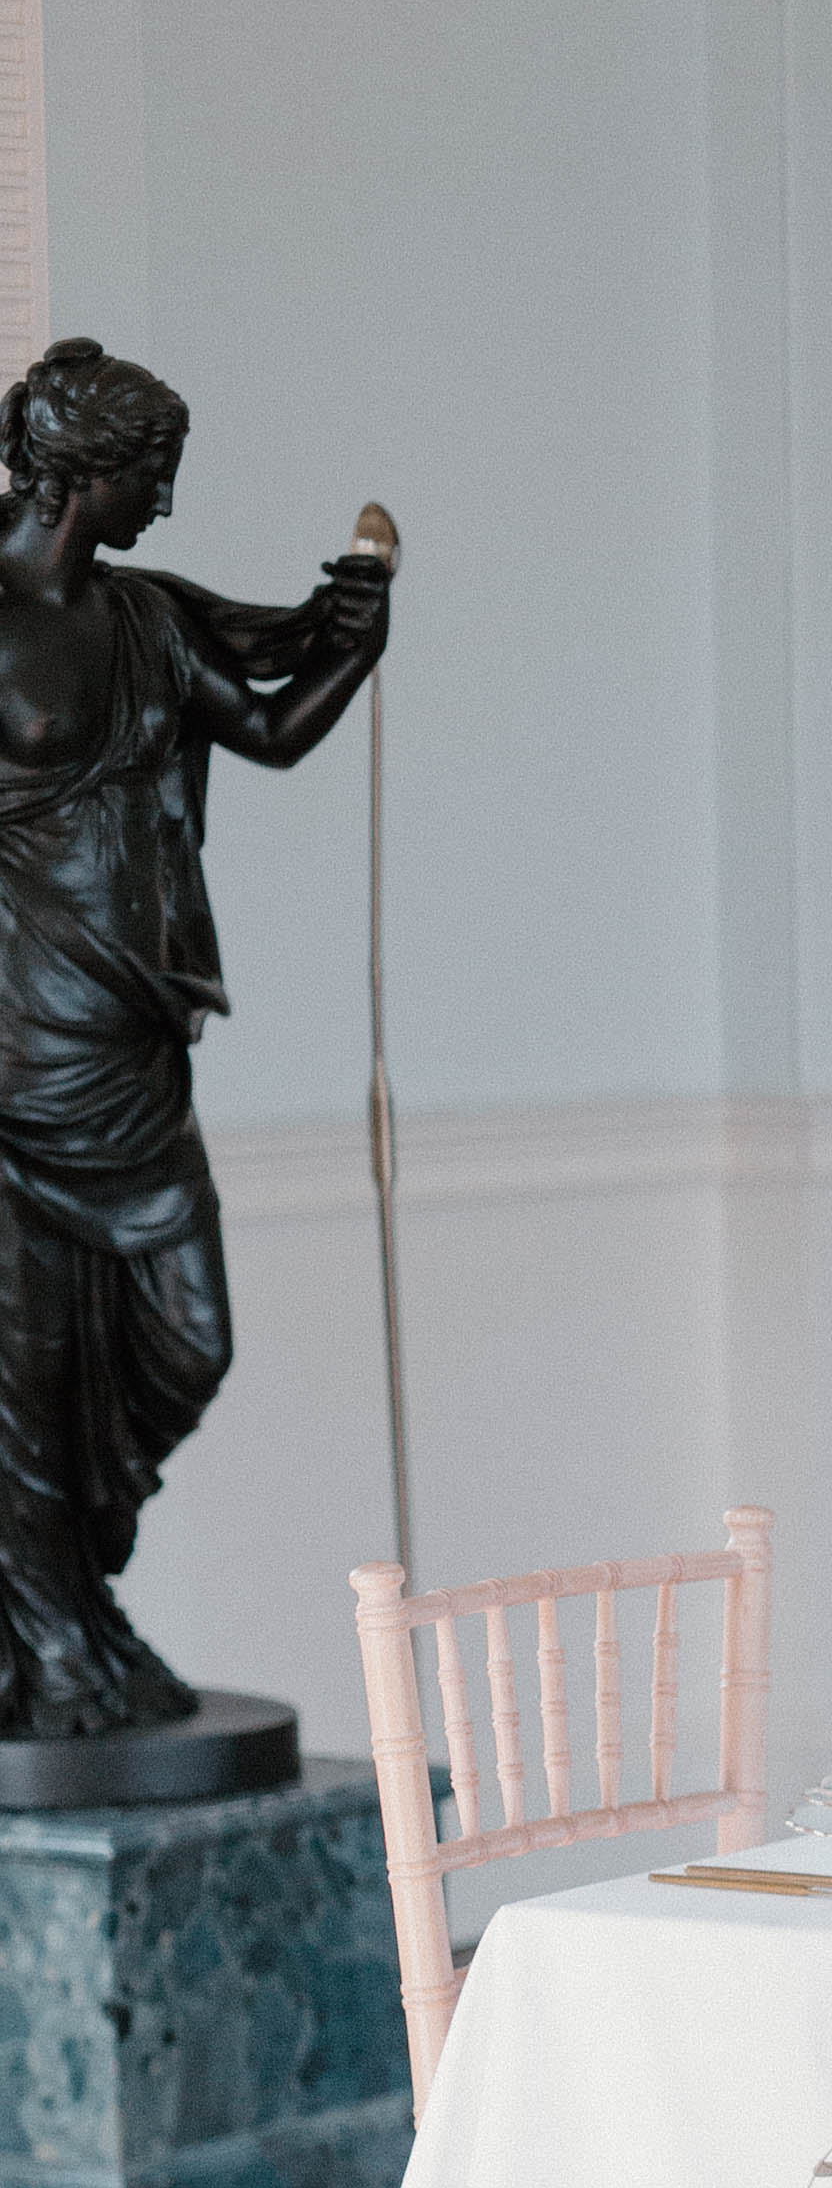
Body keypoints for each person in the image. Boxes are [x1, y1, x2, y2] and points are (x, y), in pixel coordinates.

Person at [0, 338, 389, 1738]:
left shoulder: (148, 620)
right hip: (13, 1060)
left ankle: (69, 1600)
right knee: (24, 1377)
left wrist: (355, 638)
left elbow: (275, 726)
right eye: (152, 471)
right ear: (82, 472)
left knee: (191, 1334)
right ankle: (53, 1640)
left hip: (133, 1047)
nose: (167, 496)